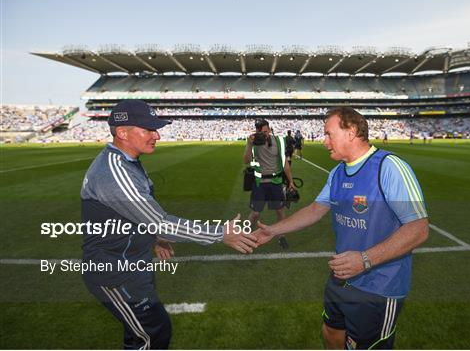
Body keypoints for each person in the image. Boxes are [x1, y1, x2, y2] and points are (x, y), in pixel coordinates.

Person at [81, 100, 257, 349]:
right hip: (115, 272)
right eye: (148, 129)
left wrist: (154, 239)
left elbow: (135, 216)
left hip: (131, 265)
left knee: (139, 335)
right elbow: (159, 222)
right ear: (122, 133)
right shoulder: (114, 172)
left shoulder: (126, 163)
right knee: (153, 333)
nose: (157, 135)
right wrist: (220, 234)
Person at [254, 107, 429, 350]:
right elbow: (315, 210)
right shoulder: (337, 173)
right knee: (331, 332)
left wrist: (365, 259)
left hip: (379, 285)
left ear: (352, 132)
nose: (324, 141)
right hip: (342, 274)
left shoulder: (389, 167)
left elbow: (419, 228)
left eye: (329, 134)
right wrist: (273, 230)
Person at [243, 118, 295, 250]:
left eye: (265, 131)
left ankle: (281, 236)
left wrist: (291, 182)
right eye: (260, 131)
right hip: (260, 183)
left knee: (280, 211)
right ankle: (244, 236)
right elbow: (246, 160)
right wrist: (249, 144)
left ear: (270, 129)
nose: (263, 134)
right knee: (255, 213)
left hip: (276, 182)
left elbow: (285, 163)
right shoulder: (253, 142)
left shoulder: (278, 141)